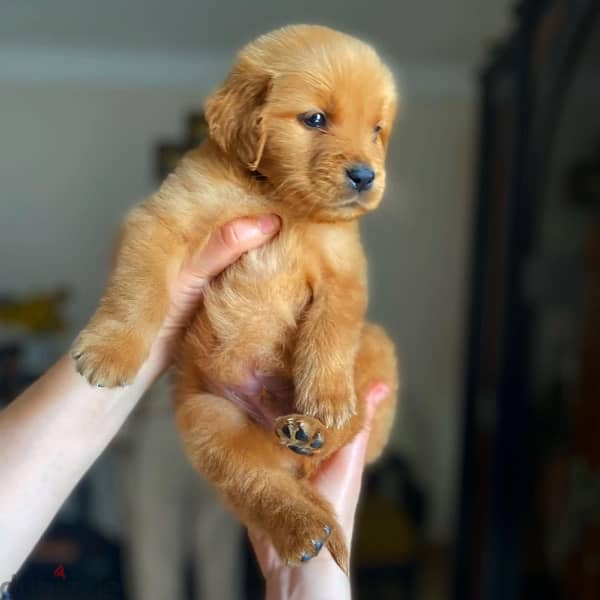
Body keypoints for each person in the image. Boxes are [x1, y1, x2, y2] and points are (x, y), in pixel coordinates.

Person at [0, 214, 388, 600]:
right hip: (200, 419)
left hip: (210, 420)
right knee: (197, 547)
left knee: (171, 546)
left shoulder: (186, 246)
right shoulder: (184, 249)